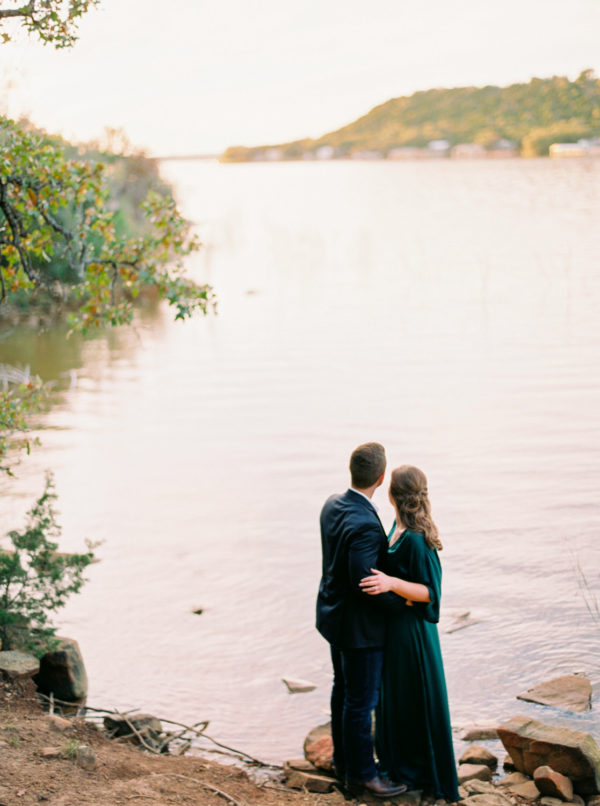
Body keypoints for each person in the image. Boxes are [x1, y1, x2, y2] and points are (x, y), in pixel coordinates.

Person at [359, 465, 459, 802]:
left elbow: (431, 593)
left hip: (413, 635)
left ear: (392, 493)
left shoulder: (417, 539)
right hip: (395, 629)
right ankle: (398, 765)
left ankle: (421, 775)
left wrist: (391, 583)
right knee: (397, 700)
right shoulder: (397, 527)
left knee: (415, 700)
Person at [316, 442, 407, 799]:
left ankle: (343, 762)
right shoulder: (367, 525)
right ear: (382, 478)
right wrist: (403, 604)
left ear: (351, 470)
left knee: (342, 691)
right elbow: (365, 582)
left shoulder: (332, 504)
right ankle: (363, 776)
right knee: (360, 702)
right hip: (359, 630)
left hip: (332, 617)